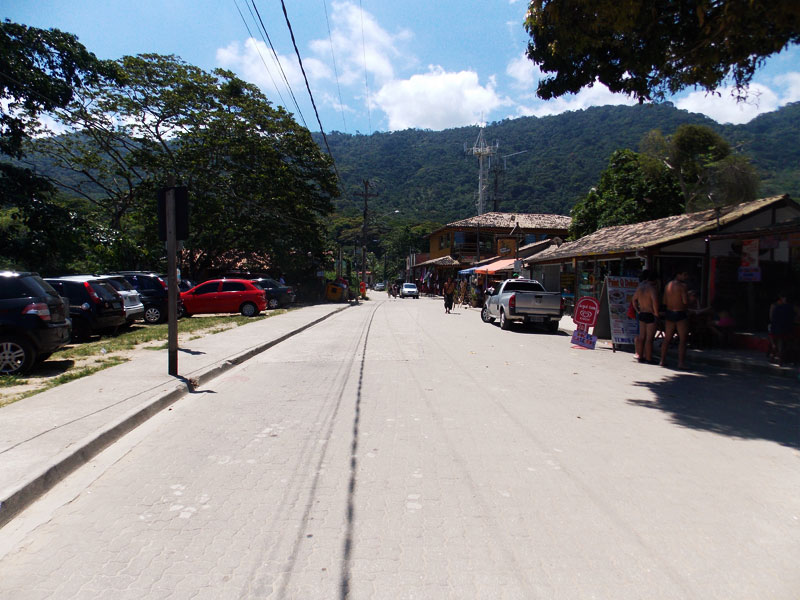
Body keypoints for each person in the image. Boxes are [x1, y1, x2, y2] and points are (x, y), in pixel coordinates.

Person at [660, 270, 690, 369]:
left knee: (667, 338)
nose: (686, 277)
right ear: (678, 274)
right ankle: (681, 363)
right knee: (682, 339)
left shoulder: (668, 285)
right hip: (680, 312)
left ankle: (662, 360)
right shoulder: (683, 286)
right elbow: (685, 301)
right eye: (684, 274)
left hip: (669, 312)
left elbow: (664, 301)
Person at [632, 269, 659, 364]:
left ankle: (640, 356)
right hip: (650, 313)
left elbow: (634, 300)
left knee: (642, 336)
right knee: (649, 338)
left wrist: (637, 310)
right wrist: (656, 313)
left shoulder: (640, 287)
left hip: (642, 313)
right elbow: (655, 302)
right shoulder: (652, 288)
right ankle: (648, 358)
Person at [768, 291, 796, 365]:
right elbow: (793, 318)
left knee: (777, 342)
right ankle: (779, 357)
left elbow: (772, 318)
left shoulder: (776, 307)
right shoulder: (790, 307)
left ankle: (775, 356)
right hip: (787, 330)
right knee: (785, 343)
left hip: (777, 329)